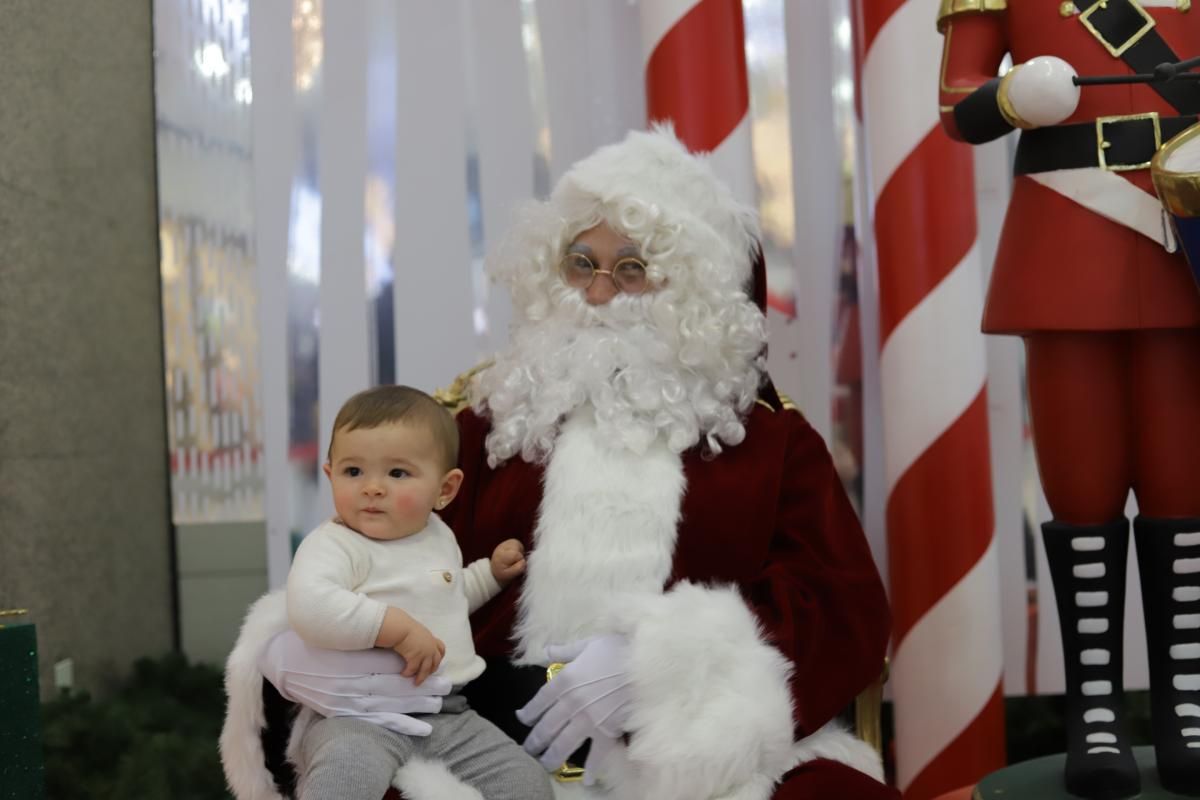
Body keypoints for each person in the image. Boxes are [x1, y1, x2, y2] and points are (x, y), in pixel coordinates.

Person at [222, 126, 895, 800]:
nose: (598, 293)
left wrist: (662, 666)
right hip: (479, 749)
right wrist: (294, 651)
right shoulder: (481, 422)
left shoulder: (771, 444)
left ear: (691, 292)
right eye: (580, 263)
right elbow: (366, 552)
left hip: (696, 764)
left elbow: (840, 606)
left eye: (631, 269)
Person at [937, 3, 1200, 798]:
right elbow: (958, 103)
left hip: (1184, 230)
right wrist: (1012, 100)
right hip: (1065, 234)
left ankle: (1185, 708)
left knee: (1181, 480)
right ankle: (1096, 713)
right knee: (1081, 486)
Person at [229, 385, 553, 800]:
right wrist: (394, 629)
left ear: (445, 490)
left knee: (524, 780)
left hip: (450, 715)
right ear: (330, 474)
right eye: (353, 472)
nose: (372, 488)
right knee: (345, 775)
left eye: (397, 473)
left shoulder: (437, 536)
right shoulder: (336, 544)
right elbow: (310, 605)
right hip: (359, 718)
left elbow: (446, 599)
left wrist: (489, 575)